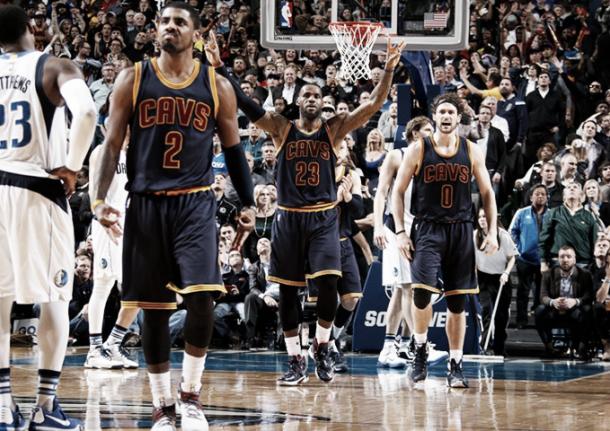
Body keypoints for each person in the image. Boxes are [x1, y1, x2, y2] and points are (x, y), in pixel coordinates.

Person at [205, 32, 405, 384]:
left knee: (329, 284)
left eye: (317, 95)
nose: (312, 98)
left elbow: (373, 104)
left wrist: (388, 68)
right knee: (287, 291)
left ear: (323, 102)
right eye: (306, 95)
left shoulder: (335, 129)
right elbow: (244, 102)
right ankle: (296, 359)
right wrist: (220, 66)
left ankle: (322, 345)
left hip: (325, 219)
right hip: (289, 220)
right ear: (297, 101)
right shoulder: (280, 129)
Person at [92, 4, 255, 430]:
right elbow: (111, 145)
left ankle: (190, 397)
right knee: (155, 310)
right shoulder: (133, 77)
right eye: (164, 21)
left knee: (202, 298)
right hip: (145, 203)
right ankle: (163, 406)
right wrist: (97, 199)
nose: (169, 27)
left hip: (195, 204)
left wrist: (249, 203)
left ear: (196, 34)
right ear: (155, 30)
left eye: (179, 22)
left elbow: (235, 150)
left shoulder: (216, 85)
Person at [0, 5, 96, 430]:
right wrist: (73, 164)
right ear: (32, 28)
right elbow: (89, 113)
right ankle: (45, 406)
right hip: (35, 188)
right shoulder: (53, 66)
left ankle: (4, 408)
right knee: (56, 297)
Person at [391, 93, 499, 388]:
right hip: (427, 229)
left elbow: (488, 194)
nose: (447, 116)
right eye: (442, 112)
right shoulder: (418, 148)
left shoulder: (472, 150)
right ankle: (421, 348)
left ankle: (456, 363)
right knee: (422, 293)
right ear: (435, 117)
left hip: (461, 230)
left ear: (458, 117)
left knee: (457, 302)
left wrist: (491, 232)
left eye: (452, 112)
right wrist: (400, 231)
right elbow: (397, 191)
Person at [373, 116, 435, 368]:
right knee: (409, 287)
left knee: (402, 290)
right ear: (413, 134)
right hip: (395, 230)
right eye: (427, 130)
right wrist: (377, 224)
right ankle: (421, 344)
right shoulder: (397, 155)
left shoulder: (431, 159)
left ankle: (392, 347)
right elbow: (381, 192)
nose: (432, 134)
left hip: (419, 231)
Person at [85, 134, 139, 369]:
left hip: (126, 222)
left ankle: (112, 345)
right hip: (107, 223)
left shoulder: (130, 153)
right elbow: (93, 191)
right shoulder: (102, 150)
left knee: (135, 288)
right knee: (105, 284)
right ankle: (95, 350)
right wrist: (102, 221)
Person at [474, 209, 518, 356]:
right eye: (480, 217)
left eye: (485, 216)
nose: (482, 219)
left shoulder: (502, 235)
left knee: (501, 315)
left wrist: (506, 273)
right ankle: (485, 346)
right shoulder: (475, 235)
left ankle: (499, 347)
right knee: (486, 310)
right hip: (483, 278)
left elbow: (512, 257)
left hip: (501, 278)